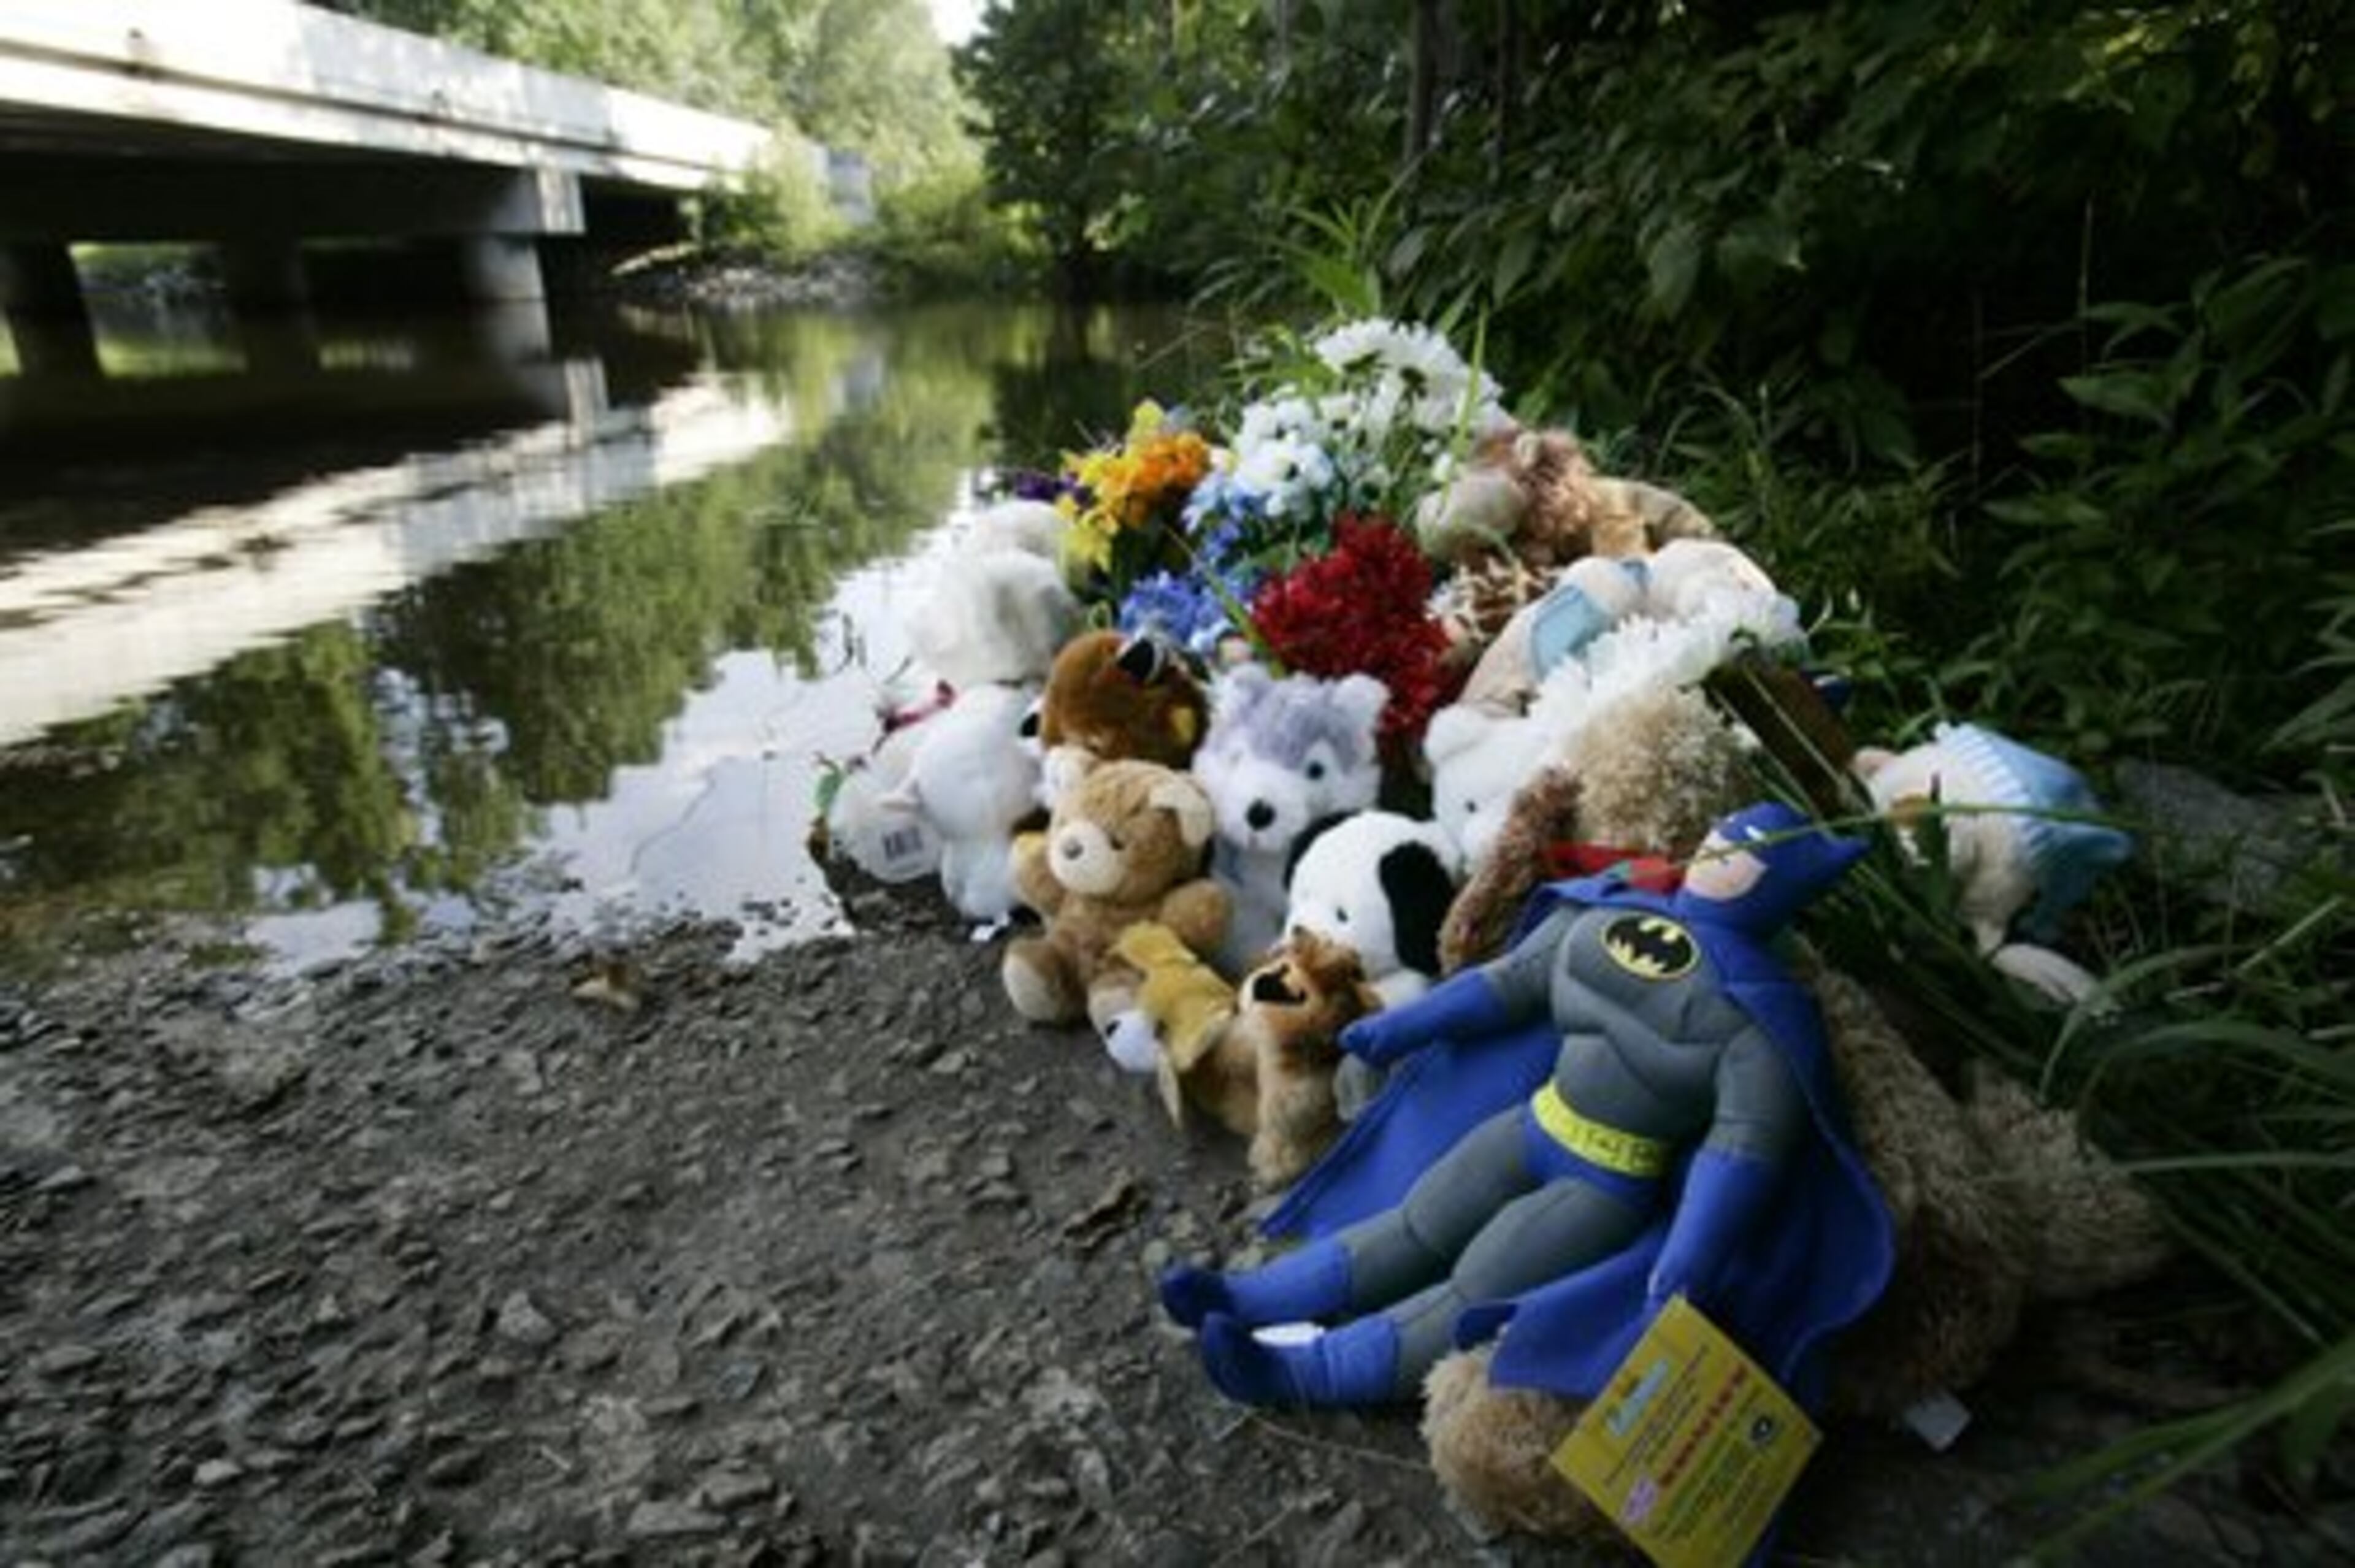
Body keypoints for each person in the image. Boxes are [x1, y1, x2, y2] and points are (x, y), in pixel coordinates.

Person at [1158, 800, 1892, 1409]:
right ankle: (1245, 1296)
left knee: (1472, 1287)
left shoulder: (1759, 1012)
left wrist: (1688, 1258)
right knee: (1414, 1222)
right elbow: (1507, 985)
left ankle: (1309, 1374)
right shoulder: (1613, 912)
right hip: (1534, 1123)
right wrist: (1398, 1026)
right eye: (1720, 841)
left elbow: (1742, 1151)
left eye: (1739, 854)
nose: (1717, 857)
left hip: (1603, 1182)